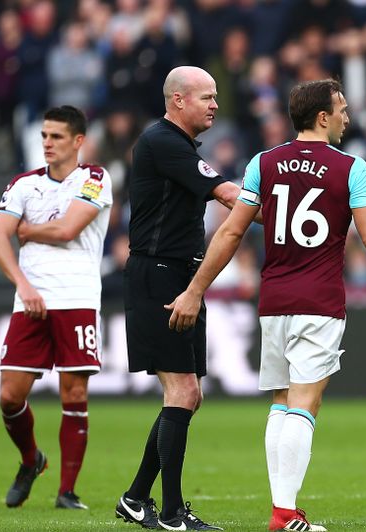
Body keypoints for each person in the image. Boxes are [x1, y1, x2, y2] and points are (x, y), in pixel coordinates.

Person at [166, 78, 366, 532]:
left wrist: (195, 289)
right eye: (341, 109)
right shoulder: (352, 168)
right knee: (305, 403)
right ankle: (284, 514)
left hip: (274, 300)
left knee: (282, 402)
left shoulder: (263, 162)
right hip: (319, 301)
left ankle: (283, 509)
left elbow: (230, 231)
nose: (347, 117)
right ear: (323, 117)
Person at [115, 66, 250, 531]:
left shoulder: (179, 146)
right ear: (178, 100)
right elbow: (229, 195)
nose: (215, 104)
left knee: (188, 397)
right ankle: (172, 513)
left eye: (215, 96)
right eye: (206, 97)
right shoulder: (163, 142)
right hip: (159, 275)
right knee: (184, 392)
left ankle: (136, 498)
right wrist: (289, 206)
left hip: (179, 274)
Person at [0, 105, 112, 511]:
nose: (47, 143)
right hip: (30, 301)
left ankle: (66, 491)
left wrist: (26, 229)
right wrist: (23, 285)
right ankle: (31, 460)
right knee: (9, 396)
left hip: (76, 298)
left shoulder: (95, 178)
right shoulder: (23, 184)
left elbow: (68, 229)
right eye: (44, 135)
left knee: (73, 393)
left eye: (56, 136)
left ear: (78, 141)